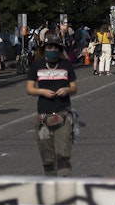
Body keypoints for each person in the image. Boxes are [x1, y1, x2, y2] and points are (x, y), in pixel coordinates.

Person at [26, 35, 78, 177]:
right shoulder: (37, 65)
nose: (53, 50)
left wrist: (66, 90)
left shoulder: (66, 64)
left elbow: (74, 88)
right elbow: (29, 88)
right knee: (47, 158)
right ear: (44, 49)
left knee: (63, 155)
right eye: (50, 47)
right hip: (44, 116)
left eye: (55, 47)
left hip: (63, 114)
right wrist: (41, 91)